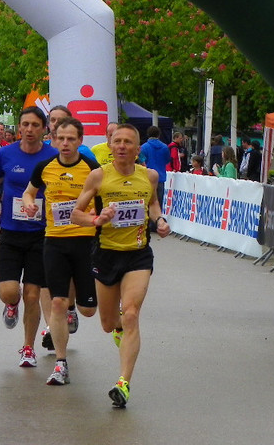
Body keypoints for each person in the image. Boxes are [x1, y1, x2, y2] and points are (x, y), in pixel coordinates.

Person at [70, 122, 171, 408]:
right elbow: (76, 214)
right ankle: (117, 329)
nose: (122, 146)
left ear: (138, 149)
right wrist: (96, 219)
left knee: (131, 313)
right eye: (118, 141)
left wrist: (160, 220)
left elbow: (153, 204)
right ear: (110, 146)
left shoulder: (149, 176)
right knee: (108, 323)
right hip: (106, 254)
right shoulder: (98, 176)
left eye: (128, 142)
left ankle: (123, 383)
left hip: (138, 254)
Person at [0, 106, 57, 369]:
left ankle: (28, 348)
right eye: (25, 124)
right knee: (10, 291)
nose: (30, 129)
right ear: (19, 127)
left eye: (35, 125)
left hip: (40, 235)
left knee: (33, 295)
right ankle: (11, 303)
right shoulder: (6, 153)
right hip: (10, 233)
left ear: (44, 129)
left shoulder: (53, 156)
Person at [20, 116, 99, 385]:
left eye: (71, 139)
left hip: (85, 242)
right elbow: (29, 192)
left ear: (80, 140)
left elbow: (103, 199)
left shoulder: (92, 168)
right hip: (54, 241)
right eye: (60, 138)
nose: (65, 143)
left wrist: (95, 218)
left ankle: (77, 307)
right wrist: (29, 203)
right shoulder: (44, 167)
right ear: (54, 139)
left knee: (89, 309)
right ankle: (61, 364)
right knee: (56, 301)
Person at [139, 125, 171, 206]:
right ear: (159, 134)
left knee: (147, 204)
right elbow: (167, 160)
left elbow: (141, 162)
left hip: (147, 178)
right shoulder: (165, 147)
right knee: (158, 204)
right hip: (160, 178)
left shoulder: (143, 147)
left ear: (148, 134)